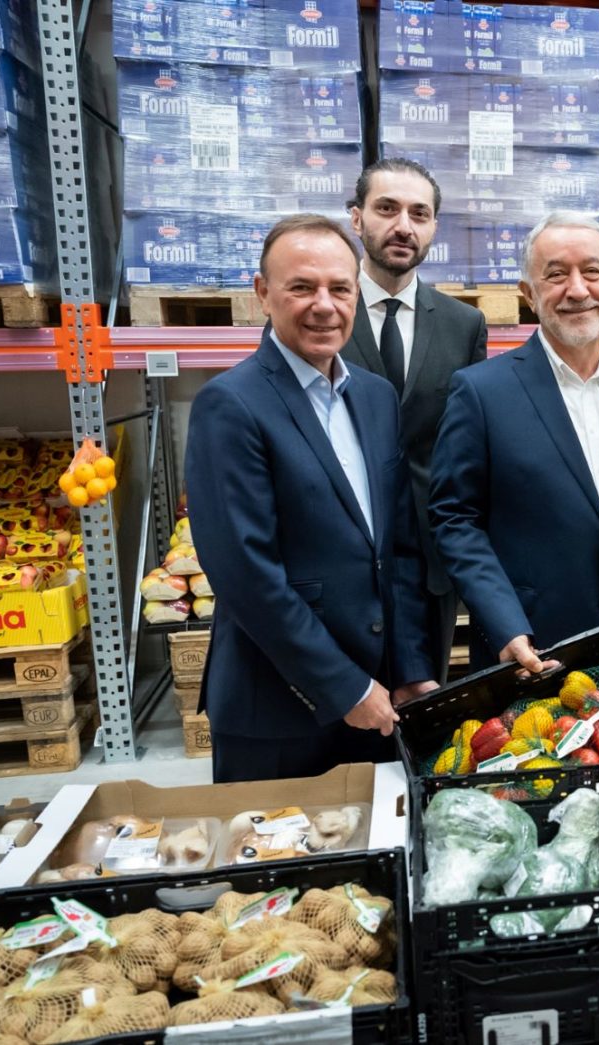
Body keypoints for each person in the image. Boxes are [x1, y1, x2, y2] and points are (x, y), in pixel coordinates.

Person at [185, 214, 438, 783]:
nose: (324, 305)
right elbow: (246, 575)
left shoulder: (375, 398)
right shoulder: (231, 405)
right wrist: (343, 686)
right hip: (279, 710)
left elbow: (398, 549)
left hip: (379, 700)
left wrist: (409, 665)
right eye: (302, 287)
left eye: (339, 288)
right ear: (262, 293)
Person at [429, 212, 599, 672]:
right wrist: (504, 624)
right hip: (532, 653)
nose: (577, 290)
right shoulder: (481, 392)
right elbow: (454, 519)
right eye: (556, 275)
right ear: (528, 294)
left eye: (592, 272)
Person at [338, 158, 487, 682]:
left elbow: (468, 449)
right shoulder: (322, 312)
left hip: (429, 564)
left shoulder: (463, 325)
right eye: (387, 209)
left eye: (419, 214)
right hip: (342, 553)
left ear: (434, 228)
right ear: (357, 218)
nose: (404, 226)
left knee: (425, 702)